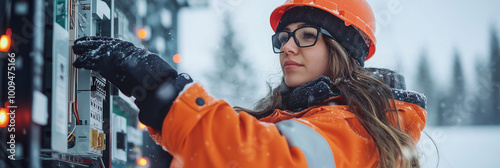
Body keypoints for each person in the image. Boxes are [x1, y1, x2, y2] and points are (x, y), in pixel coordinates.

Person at [72, 0, 427, 167]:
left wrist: (161, 88)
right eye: (283, 37)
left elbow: (259, 157)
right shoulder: (302, 116)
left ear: (342, 51)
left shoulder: (357, 130)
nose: (287, 46)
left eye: (306, 35)